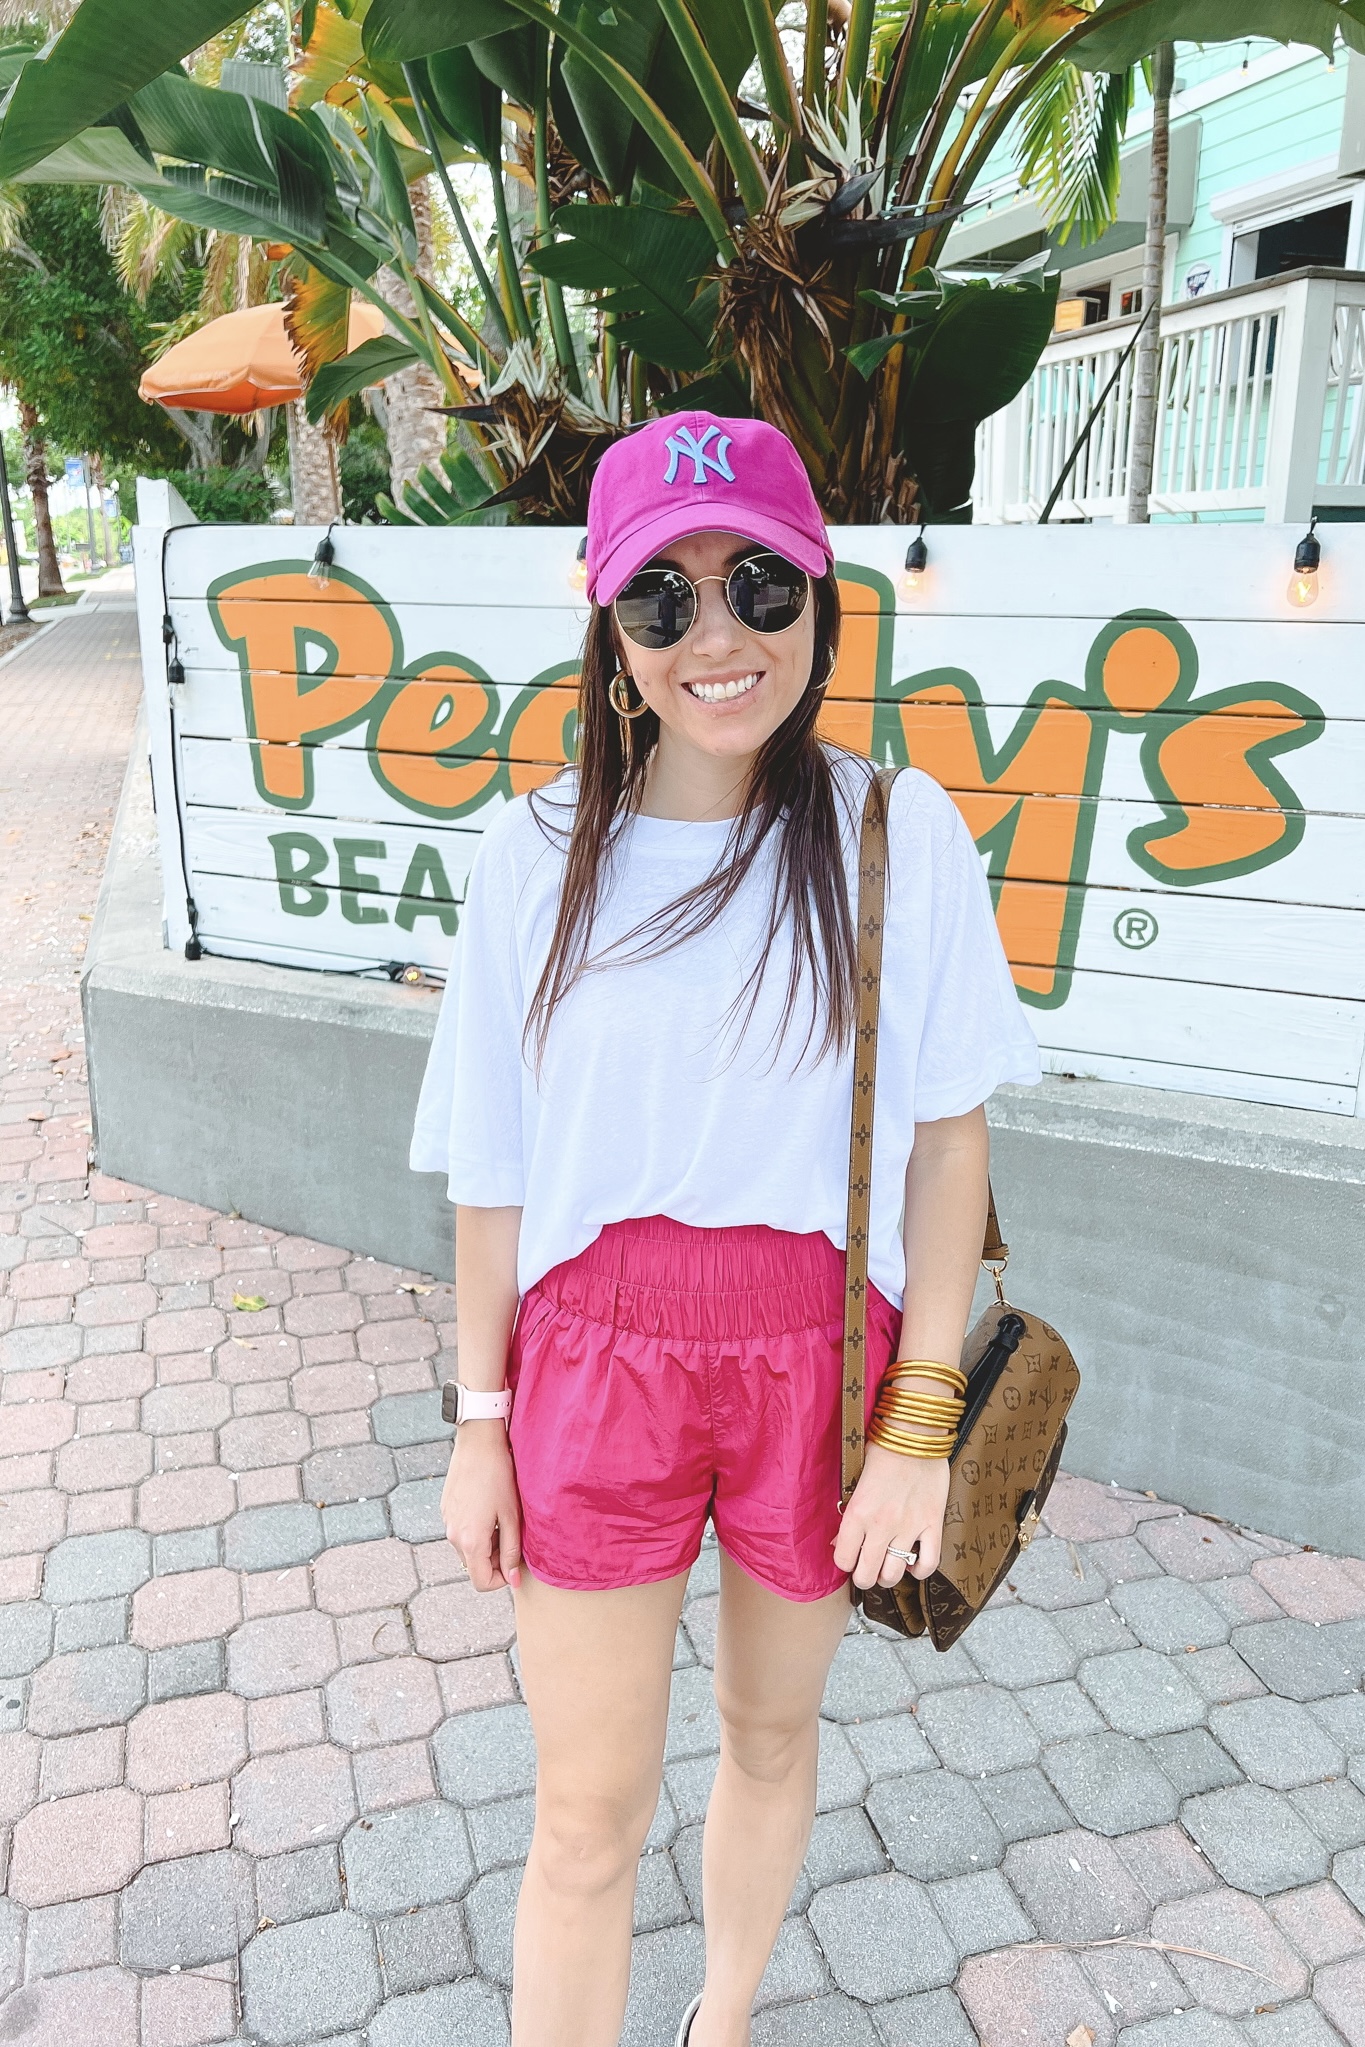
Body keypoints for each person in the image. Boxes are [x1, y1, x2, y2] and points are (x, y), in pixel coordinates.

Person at [410, 412, 1040, 2047]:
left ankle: (727, 2017)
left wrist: (916, 1429)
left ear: (820, 603)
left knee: (770, 1736)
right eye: (663, 600)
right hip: (591, 1364)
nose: (718, 637)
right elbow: (492, 1170)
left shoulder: (897, 833)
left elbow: (945, 1147)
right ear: (611, 635)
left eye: (761, 585)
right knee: (583, 1815)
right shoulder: (534, 852)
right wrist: (478, 1428)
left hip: (815, 1365)